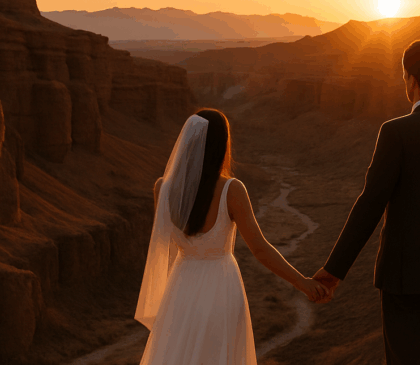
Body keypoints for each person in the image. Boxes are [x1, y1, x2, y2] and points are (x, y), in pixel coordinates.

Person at [312, 39, 420, 365]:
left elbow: (369, 206)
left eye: (404, 75)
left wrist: (335, 270)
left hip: (403, 276)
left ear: (412, 79)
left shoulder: (395, 132)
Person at [134, 108, 329, 365]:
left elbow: (162, 248)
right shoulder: (231, 190)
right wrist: (302, 282)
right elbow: (259, 248)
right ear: (221, 145)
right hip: (220, 288)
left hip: (180, 288)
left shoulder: (163, 188)